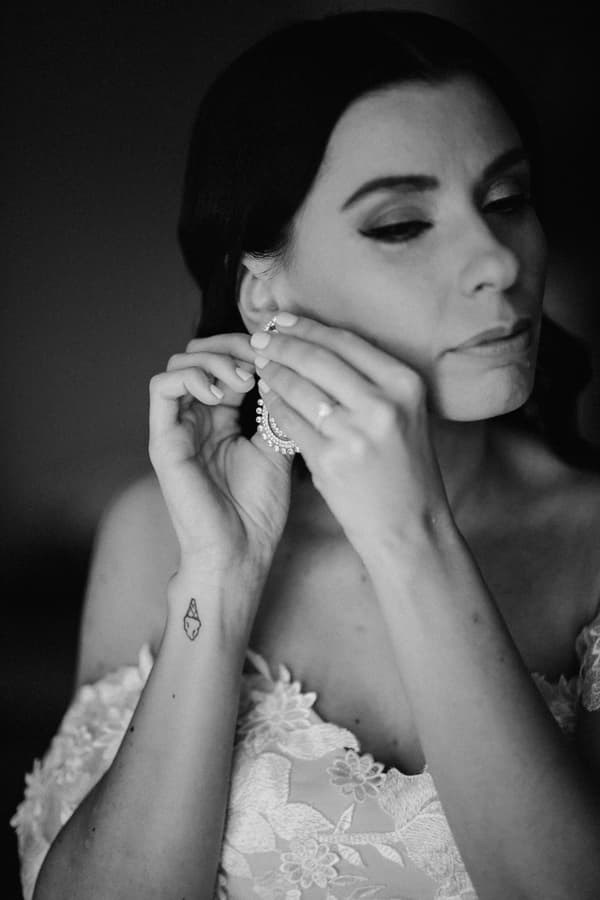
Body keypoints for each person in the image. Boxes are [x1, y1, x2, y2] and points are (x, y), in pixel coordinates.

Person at [11, 9, 600, 900]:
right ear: (265, 290)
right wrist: (222, 571)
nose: (496, 261)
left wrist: (413, 538)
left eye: (507, 200)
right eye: (402, 223)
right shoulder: (152, 534)